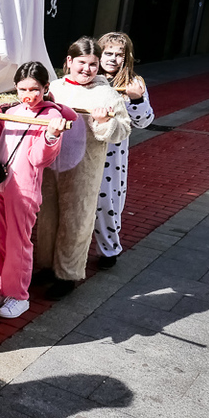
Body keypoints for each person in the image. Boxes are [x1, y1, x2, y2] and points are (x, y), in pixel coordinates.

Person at [34, 37, 131, 299]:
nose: (87, 69)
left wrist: (104, 122)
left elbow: (123, 130)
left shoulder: (106, 93)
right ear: (69, 61)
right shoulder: (54, 88)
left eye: (93, 64)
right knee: (47, 219)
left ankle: (67, 275)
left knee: (76, 221)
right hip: (51, 166)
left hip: (84, 170)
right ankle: (47, 266)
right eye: (81, 63)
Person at [0, 62, 73, 319]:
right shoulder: (11, 110)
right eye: (23, 89)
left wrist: (51, 136)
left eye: (34, 89)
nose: (29, 95)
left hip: (23, 187)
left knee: (19, 242)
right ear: (15, 87)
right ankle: (2, 288)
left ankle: (19, 295)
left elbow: (39, 159)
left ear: (45, 87)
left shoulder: (51, 116)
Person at [93, 32, 154, 269]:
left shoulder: (133, 82)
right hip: (83, 149)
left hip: (112, 153)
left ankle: (109, 250)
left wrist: (136, 99)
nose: (112, 58)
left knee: (107, 201)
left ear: (127, 57)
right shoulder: (88, 75)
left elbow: (145, 121)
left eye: (119, 54)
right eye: (108, 53)